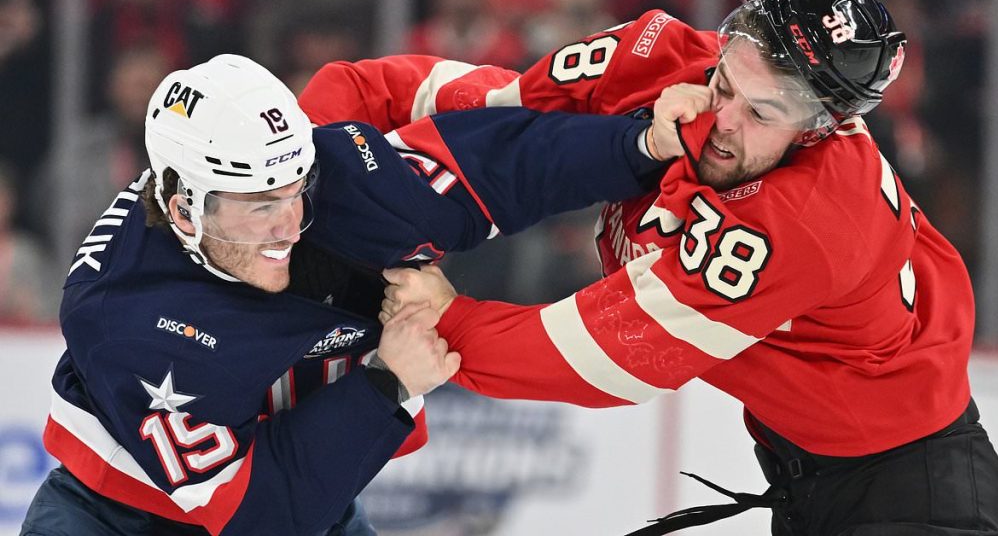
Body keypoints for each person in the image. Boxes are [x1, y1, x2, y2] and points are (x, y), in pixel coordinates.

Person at [376, 0, 998, 536]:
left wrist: (445, 321)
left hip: (919, 498)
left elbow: (607, 356)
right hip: (816, 473)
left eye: (764, 112)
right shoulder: (660, 54)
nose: (723, 119)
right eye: (725, 81)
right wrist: (342, 126)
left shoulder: (807, 220)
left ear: (822, 127)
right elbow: (497, 110)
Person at [22, 53, 684, 535]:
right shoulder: (125, 316)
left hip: (310, 495)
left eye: (296, 191)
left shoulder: (339, 179)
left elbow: (506, 165)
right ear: (184, 211)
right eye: (259, 206)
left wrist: (645, 141)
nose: (290, 224)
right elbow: (262, 516)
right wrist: (389, 382)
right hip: (120, 518)